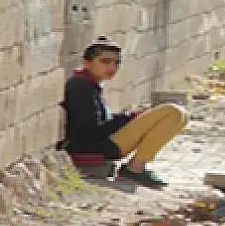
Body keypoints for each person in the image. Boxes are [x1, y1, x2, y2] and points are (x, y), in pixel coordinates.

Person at [59, 37, 189, 188]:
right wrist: (128, 119)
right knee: (172, 112)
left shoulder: (90, 85)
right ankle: (135, 168)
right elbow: (92, 129)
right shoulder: (80, 87)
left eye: (116, 63)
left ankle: (137, 165)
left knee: (182, 116)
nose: (112, 67)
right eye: (105, 61)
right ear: (87, 63)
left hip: (101, 142)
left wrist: (130, 118)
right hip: (92, 148)